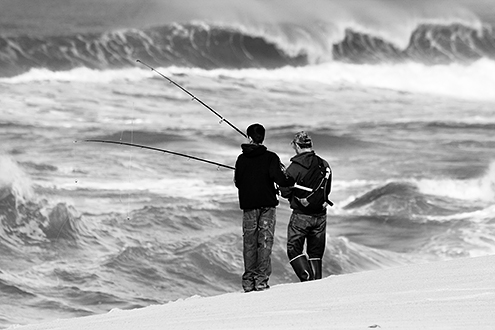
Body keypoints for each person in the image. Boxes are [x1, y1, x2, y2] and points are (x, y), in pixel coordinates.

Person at [234, 123, 295, 292]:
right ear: (262, 138)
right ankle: (261, 281)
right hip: (267, 205)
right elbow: (281, 179)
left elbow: (238, 183)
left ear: (249, 137)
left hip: (249, 206)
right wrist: (291, 181)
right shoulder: (271, 157)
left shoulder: (241, 159)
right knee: (265, 242)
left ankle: (248, 282)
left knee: (250, 243)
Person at [280, 131, 332, 282]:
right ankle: (316, 283)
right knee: (315, 253)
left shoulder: (295, 167)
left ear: (297, 146)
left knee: (293, 249)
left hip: (301, 215)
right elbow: (326, 189)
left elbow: (284, 191)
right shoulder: (324, 164)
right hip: (321, 215)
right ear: (310, 145)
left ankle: (308, 280)